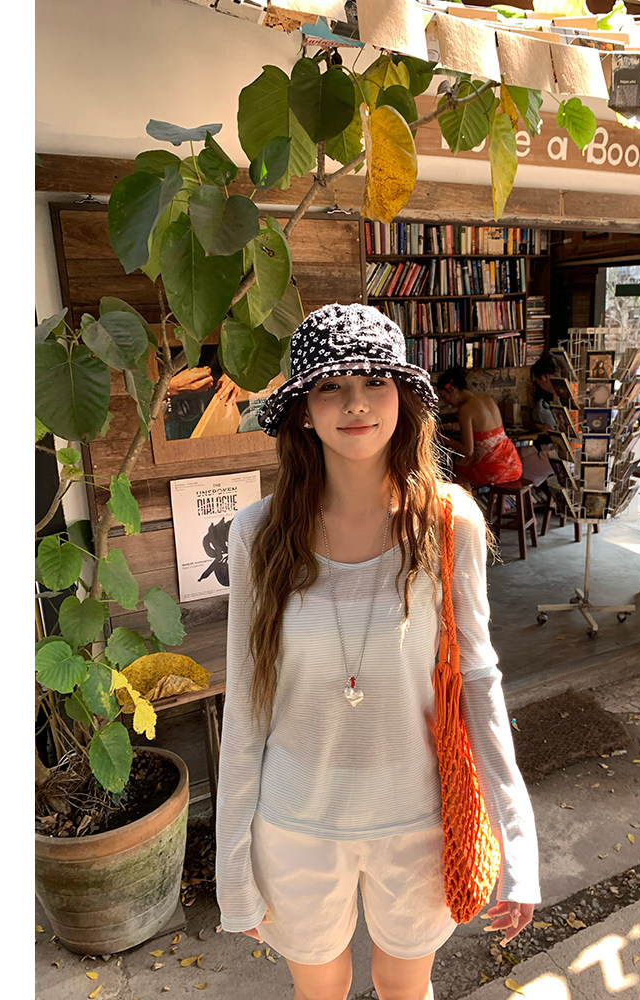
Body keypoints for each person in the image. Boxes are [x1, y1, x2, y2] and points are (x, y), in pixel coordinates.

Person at [215, 303, 540, 1000]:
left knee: (404, 986)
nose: (355, 403)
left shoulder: (447, 521)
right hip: (296, 820)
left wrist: (518, 841)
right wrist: (230, 864)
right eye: (331, 387)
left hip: (418, 816)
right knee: (320, 990)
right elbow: (245, 704)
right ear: (303, 411)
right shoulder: (258, 534)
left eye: (374, 382)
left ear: (403, 399)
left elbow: (478, 684)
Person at [435, 365, 523, 489]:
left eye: (444, 397)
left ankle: (465, 502)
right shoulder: (487, 398)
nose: (446, 403)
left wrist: (439, 437)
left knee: (458, 468)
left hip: (495, 470)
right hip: (514, 465)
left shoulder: (465, 409)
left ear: (453, 390)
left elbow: (467, 450)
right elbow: (481, 427)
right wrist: (448, 426)